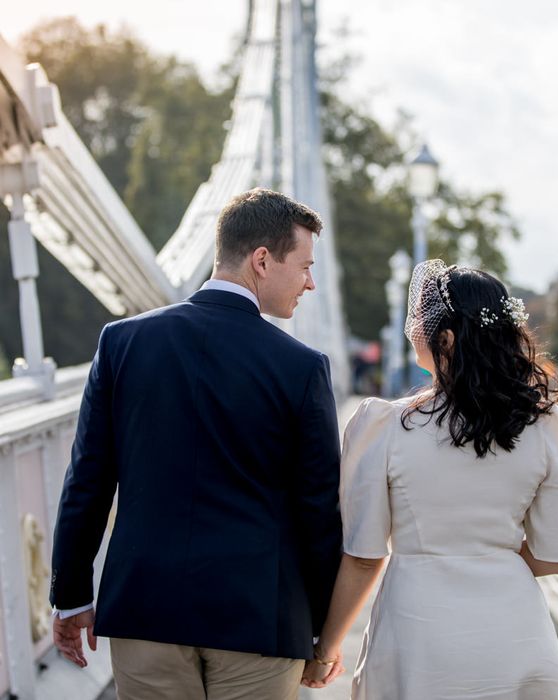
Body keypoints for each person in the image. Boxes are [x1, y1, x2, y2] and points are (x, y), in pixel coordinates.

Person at [50, 188, 343, 700]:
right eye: (304, 266)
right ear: (261, 261)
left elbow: (88, 481)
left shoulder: (121, 343)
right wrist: (322, 630)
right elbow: (318, 510)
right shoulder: (301, 367)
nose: (311, 282)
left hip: (145, 608)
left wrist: (71, 595)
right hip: (260, 618)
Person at [303, 260, 558, 699]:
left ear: (446, 339)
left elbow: (363, 557)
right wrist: (488, 556)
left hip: (418, 635)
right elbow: (555, 558)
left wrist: (325, 650)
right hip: (514, 632)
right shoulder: (546, 424)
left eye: (421, 319)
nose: (414, 327)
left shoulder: (385, 426)